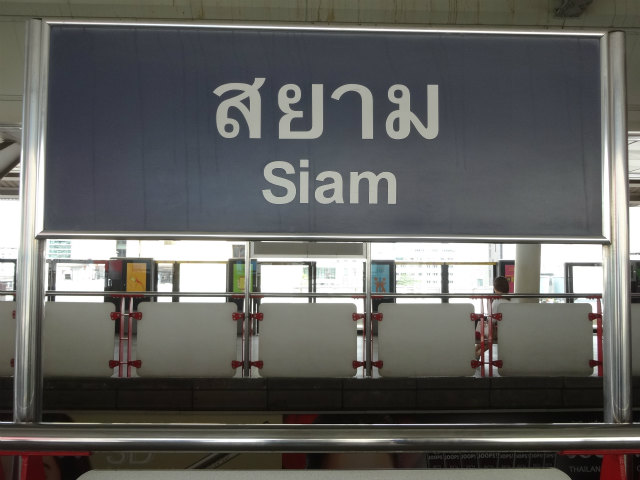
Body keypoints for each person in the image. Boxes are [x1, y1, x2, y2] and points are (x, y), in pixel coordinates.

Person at [475, 276, 511, 359]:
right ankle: (476, 354)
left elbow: (491, 320)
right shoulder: (515, 299)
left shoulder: (497, 301)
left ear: (495, 288)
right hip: (512, 330)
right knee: (487, 337)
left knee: (485, 335)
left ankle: (476, 354)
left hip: (500, 333)